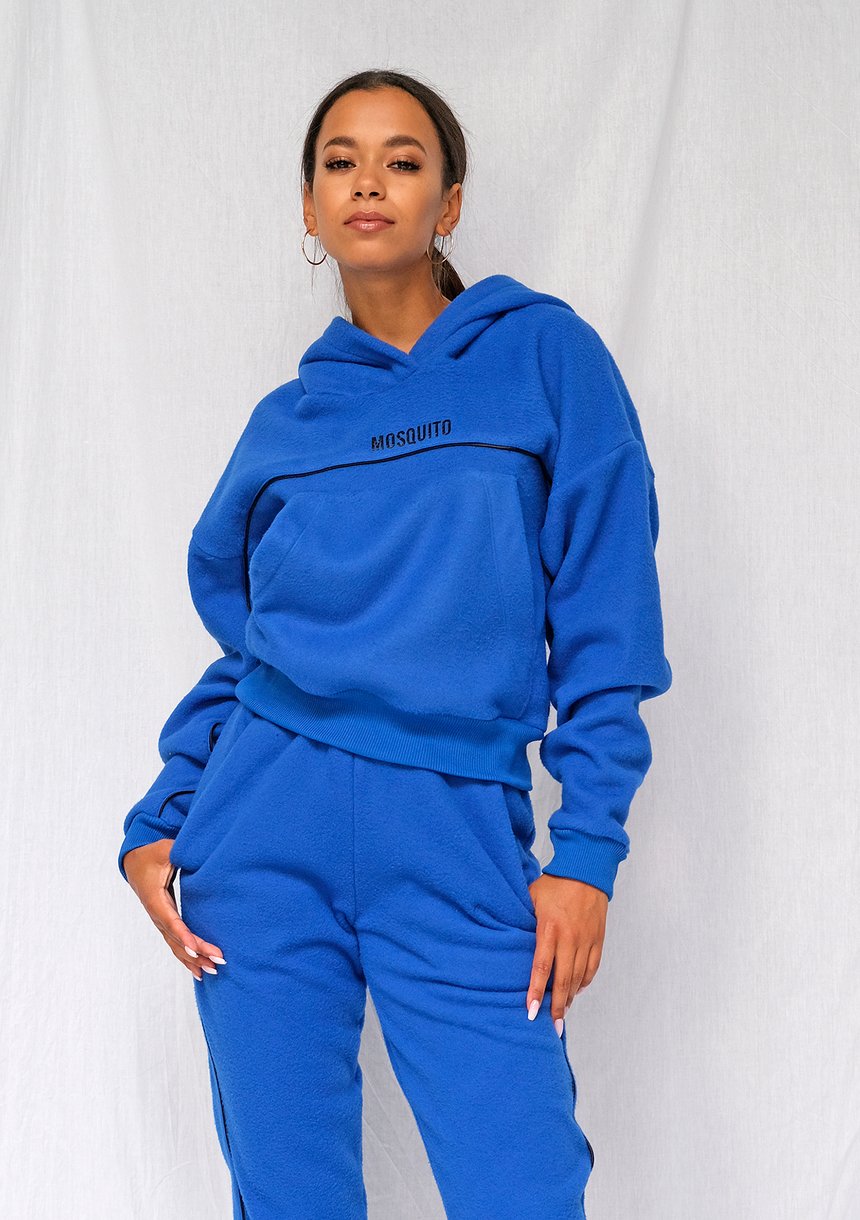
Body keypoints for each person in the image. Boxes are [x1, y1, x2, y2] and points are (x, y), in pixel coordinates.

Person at [118, 68, 672, 1220]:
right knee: (288, 1195)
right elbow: (256, 648)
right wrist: (162, 816)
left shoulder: (542, 358)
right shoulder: (286, 424)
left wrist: (585, 853)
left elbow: (607, 620)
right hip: (260, 831)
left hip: (454, 829)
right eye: (340, 161)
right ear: (310, 210)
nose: (368, 180)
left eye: (402, 159)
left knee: (522, 1185)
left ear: (448, 203)